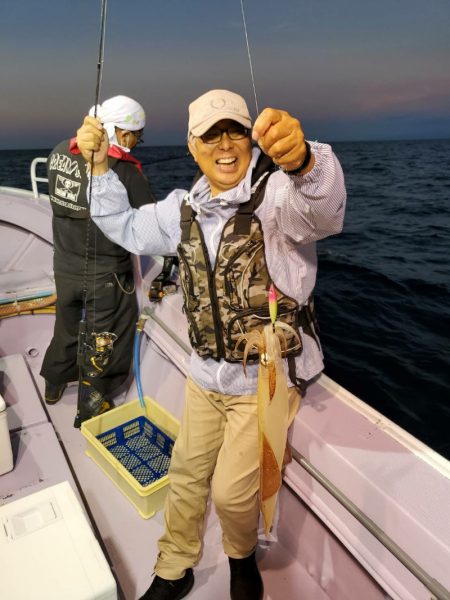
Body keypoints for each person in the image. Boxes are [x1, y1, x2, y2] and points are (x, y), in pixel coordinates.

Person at [76, 89, 346, 600]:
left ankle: (241, 559)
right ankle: (174, 566)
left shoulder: (278, 197)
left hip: (263, 380)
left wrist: (307, 161)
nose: (225, 144)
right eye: (210, 135)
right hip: (204, 375)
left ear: (251, 139)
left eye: (235, 131)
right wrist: (99, 173)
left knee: (230, 491)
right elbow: (127, 227)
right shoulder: (183, 208)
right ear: (192, 146)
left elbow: (325, 211)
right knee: (185, 471)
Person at [41, 95, 156, 427]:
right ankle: (92, 404)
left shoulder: (60, 150)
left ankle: (54, 381)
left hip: (64, 265)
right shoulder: (124, 168)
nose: (137, 142)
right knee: (106, 337)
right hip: (107, 274)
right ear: (119, 132)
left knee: (66, 323)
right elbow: (148, 222)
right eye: (136, 134)